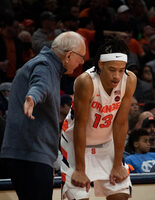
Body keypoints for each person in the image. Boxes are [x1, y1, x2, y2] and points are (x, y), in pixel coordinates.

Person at [0, 31, 86, 200]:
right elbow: (41, 85)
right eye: (81, 57)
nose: (82, 62)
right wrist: (32, 98)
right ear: (69, 55)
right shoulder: (45, 65)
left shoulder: (47, 65)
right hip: (31, 153)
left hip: (26, 152)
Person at [61, 39, 137, 200]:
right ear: (101, 65)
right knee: (80, 197)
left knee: (120, 195)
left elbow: (121, 123)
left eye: (121, 70)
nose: (117, 76)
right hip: (76, 143)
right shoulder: (86, 82)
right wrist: (80, 169)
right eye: (112, 70)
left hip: (106, 143)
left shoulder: (129, 80)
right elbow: (80, 126)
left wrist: (117, 164)